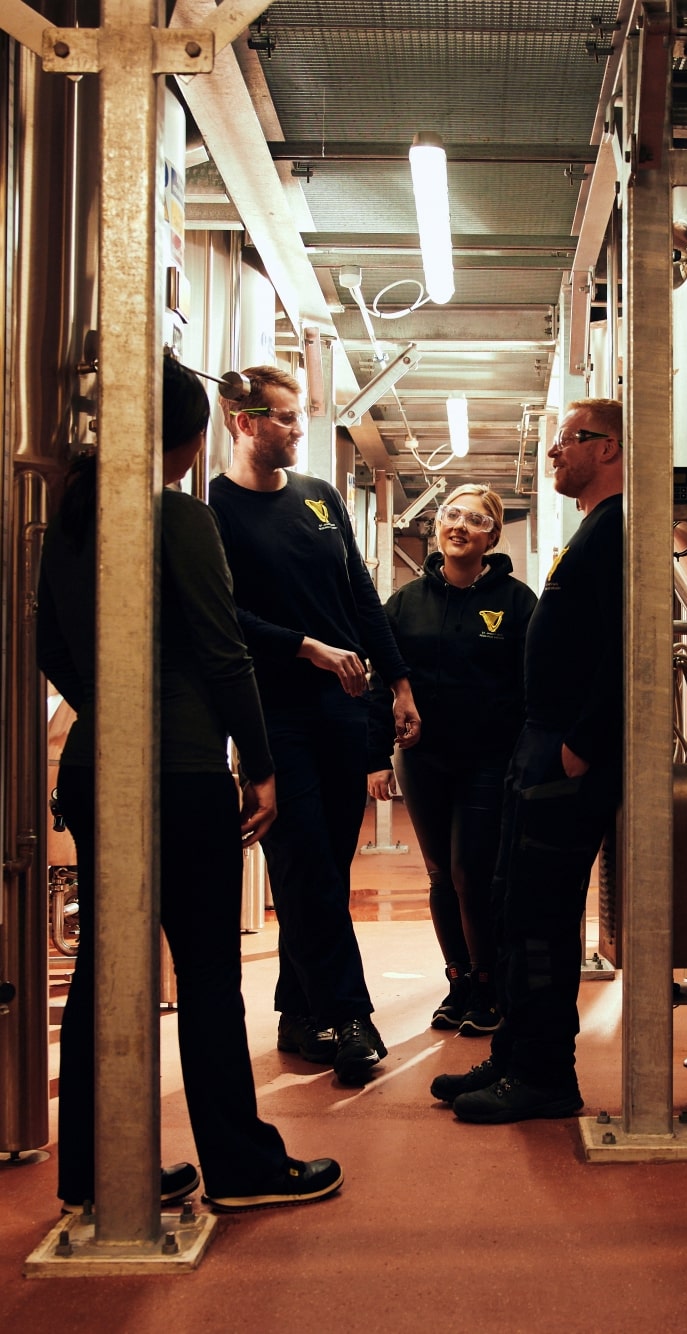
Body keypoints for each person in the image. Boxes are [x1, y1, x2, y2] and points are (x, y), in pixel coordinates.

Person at [37, 354, 343, 1211]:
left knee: (107, 964)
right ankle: (241, 1168)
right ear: (185, 435)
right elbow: (222, 650)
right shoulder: (178, 517)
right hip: (182, 769)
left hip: (95, 763)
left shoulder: (68, 521)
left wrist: (108, 704)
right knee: (207, 971)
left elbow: (49, 650)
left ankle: (99, 1172)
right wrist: (263, 763)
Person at [209, 366, 420, 1087]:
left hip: (346, 708)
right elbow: (222, 615)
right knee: (302, 866)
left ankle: (298, 1013)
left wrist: (397, 683)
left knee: (324, 866)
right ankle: (351, 1015)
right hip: (275, 711)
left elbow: (360, 594)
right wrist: (303, 645)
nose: (300, 431)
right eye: (287, 419)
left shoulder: (321, 500)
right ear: (244, 423)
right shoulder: (213, 510)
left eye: (300, 418)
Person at [429, 399, 624, 1123]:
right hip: (538, 744)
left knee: (541, 916)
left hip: (567, 752)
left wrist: (583, 742)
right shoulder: (591, 531)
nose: (553, 454)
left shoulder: (618, 531)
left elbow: (625, 649)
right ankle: (514, 1050)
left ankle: (545, 1075)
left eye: (566, 442)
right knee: (511, 904)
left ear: (606, 448)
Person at [369, 484, 537, 1036]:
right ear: (436, 527)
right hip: (422, 759)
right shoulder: (405, 602)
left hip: (490, 758)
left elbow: (534, 685)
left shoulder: (516, 602)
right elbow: (382, 682)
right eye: (450, 514)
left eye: (475, 518)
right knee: (440, 872)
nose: (459, 525)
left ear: (492, 536)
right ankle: (459, 981)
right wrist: (376, 756)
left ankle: (489, 985)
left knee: (473, 871)